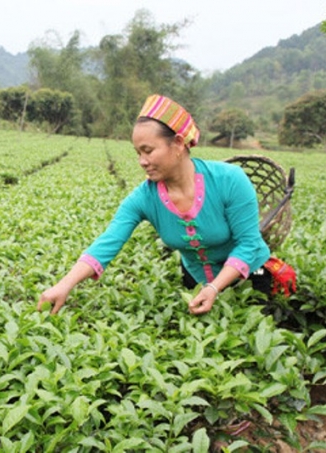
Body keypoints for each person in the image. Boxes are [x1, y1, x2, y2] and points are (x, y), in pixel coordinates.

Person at [38, 94, 272, 316]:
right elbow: (107, 243)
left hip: (249, 278)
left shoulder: (229, 179)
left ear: (178, 144)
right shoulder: (143, 198)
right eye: (138, 153)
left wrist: (214, 288)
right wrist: (64, 285)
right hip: (195, 281)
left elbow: (249, 243)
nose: (142, 161)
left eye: (148, 151)